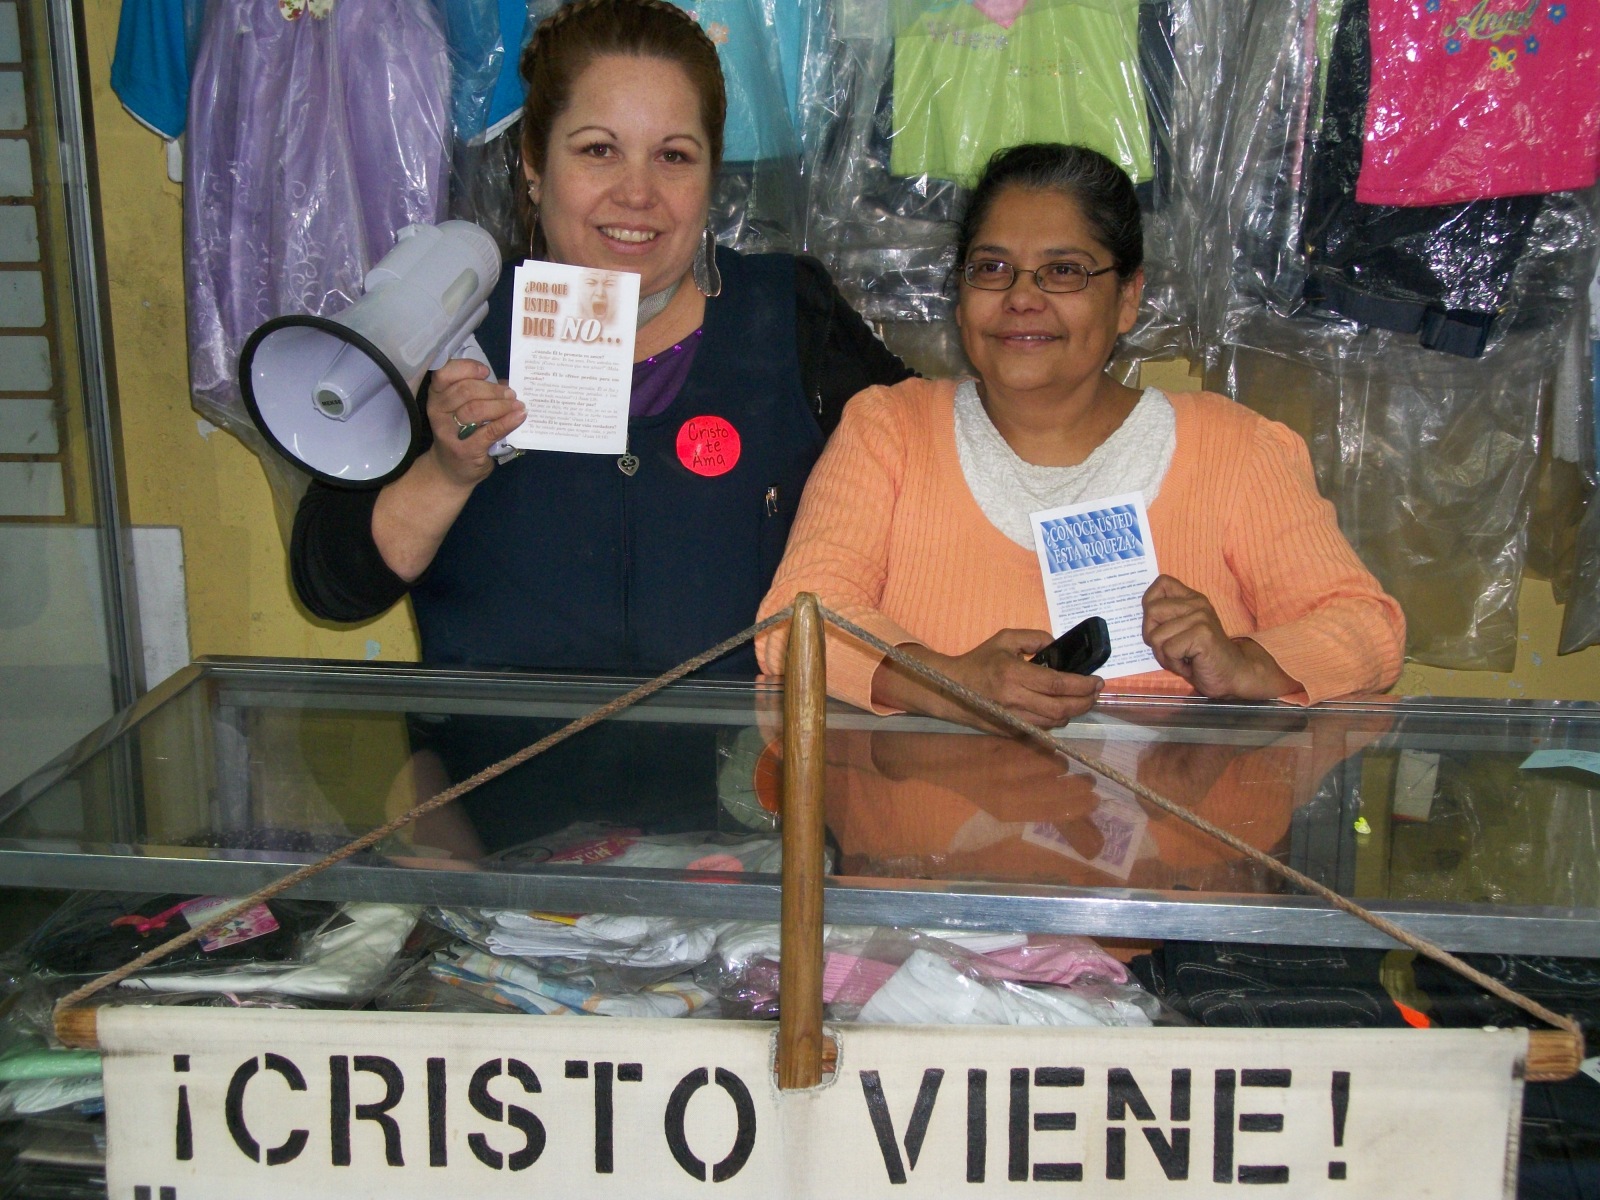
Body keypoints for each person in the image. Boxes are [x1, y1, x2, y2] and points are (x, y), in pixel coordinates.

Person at [287, 0, 909, 853]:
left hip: (749, 837)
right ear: (532, 166)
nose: (637, 194)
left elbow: (933, 476)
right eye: (597, 150)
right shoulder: (446, 325)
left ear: (711, 174)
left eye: (674, 156)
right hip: (499, 837)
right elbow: (331, 582)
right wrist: (446, 472)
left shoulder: (790, 315)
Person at [757, 143, 1405, 726]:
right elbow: (794, 624)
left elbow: (1366, 629)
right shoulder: (889, 430)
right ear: (960, 294)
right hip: (930, 824)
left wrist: (1246, 663)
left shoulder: (1236, 450)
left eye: (1064, 271)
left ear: (1128, 297)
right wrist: (945, 683)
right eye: (992, 267)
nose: (1021, 297)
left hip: (1175, 824)